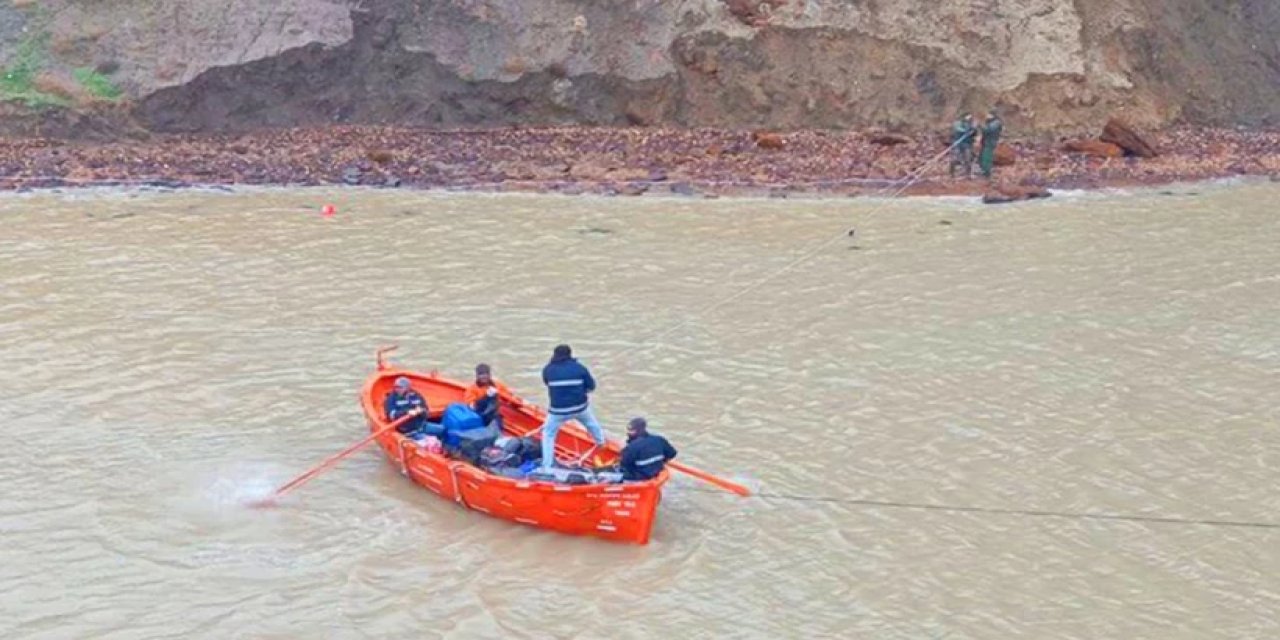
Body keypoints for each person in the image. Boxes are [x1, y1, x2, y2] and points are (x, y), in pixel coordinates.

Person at [538, 344, 606, 469]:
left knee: (548, 434)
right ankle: (601, 442)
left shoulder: (548, 369)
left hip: (557, 411)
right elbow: (591, 387)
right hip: (580, 408)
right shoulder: (579, 368)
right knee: (591, 424)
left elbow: (548, 384)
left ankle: (547, 465)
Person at [620, 417, 677, 481]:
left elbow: (624, 464)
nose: (628, 433)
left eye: (631, 431)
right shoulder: (659, 439)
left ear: (638, 431)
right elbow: (672, 453)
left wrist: (624, 450)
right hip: (656, 472)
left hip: (637, 477)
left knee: (612, 474)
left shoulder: (633, 446)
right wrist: (662, 460)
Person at [462, 363, 513, 429]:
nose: (484, 376)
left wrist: (518, 402)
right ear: (477, 376)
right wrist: (487, 397)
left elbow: (509, 397)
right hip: (479, 416)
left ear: (490, 375)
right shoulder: (472, 389)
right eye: (481, 374)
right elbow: (472, 407)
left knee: (498, 425)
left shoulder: (498, 385)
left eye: (486, 374)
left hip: (494, 415)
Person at [949, 112, 976, 179]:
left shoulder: (971, 124)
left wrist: (974, 131)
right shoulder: (957, 123)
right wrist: (966, 131)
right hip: (957, 143)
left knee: (968, 159)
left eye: (970, 117)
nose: (968, 118)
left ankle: (968, 174)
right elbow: (957, 129)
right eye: (967, 116)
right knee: (954, 159)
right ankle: (951, 174)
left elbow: (974, 133)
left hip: (967, 144)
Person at [978, 109, 1004, 178]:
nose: (987, 116)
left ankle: (987, 172)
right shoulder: (989, 122)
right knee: (982, 156)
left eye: (989, 114)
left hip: (990, 142)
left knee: (987, 157)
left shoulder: (996, 123)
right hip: (985, 142)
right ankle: (983, 170)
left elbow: (989, 130)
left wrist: (981, 126)